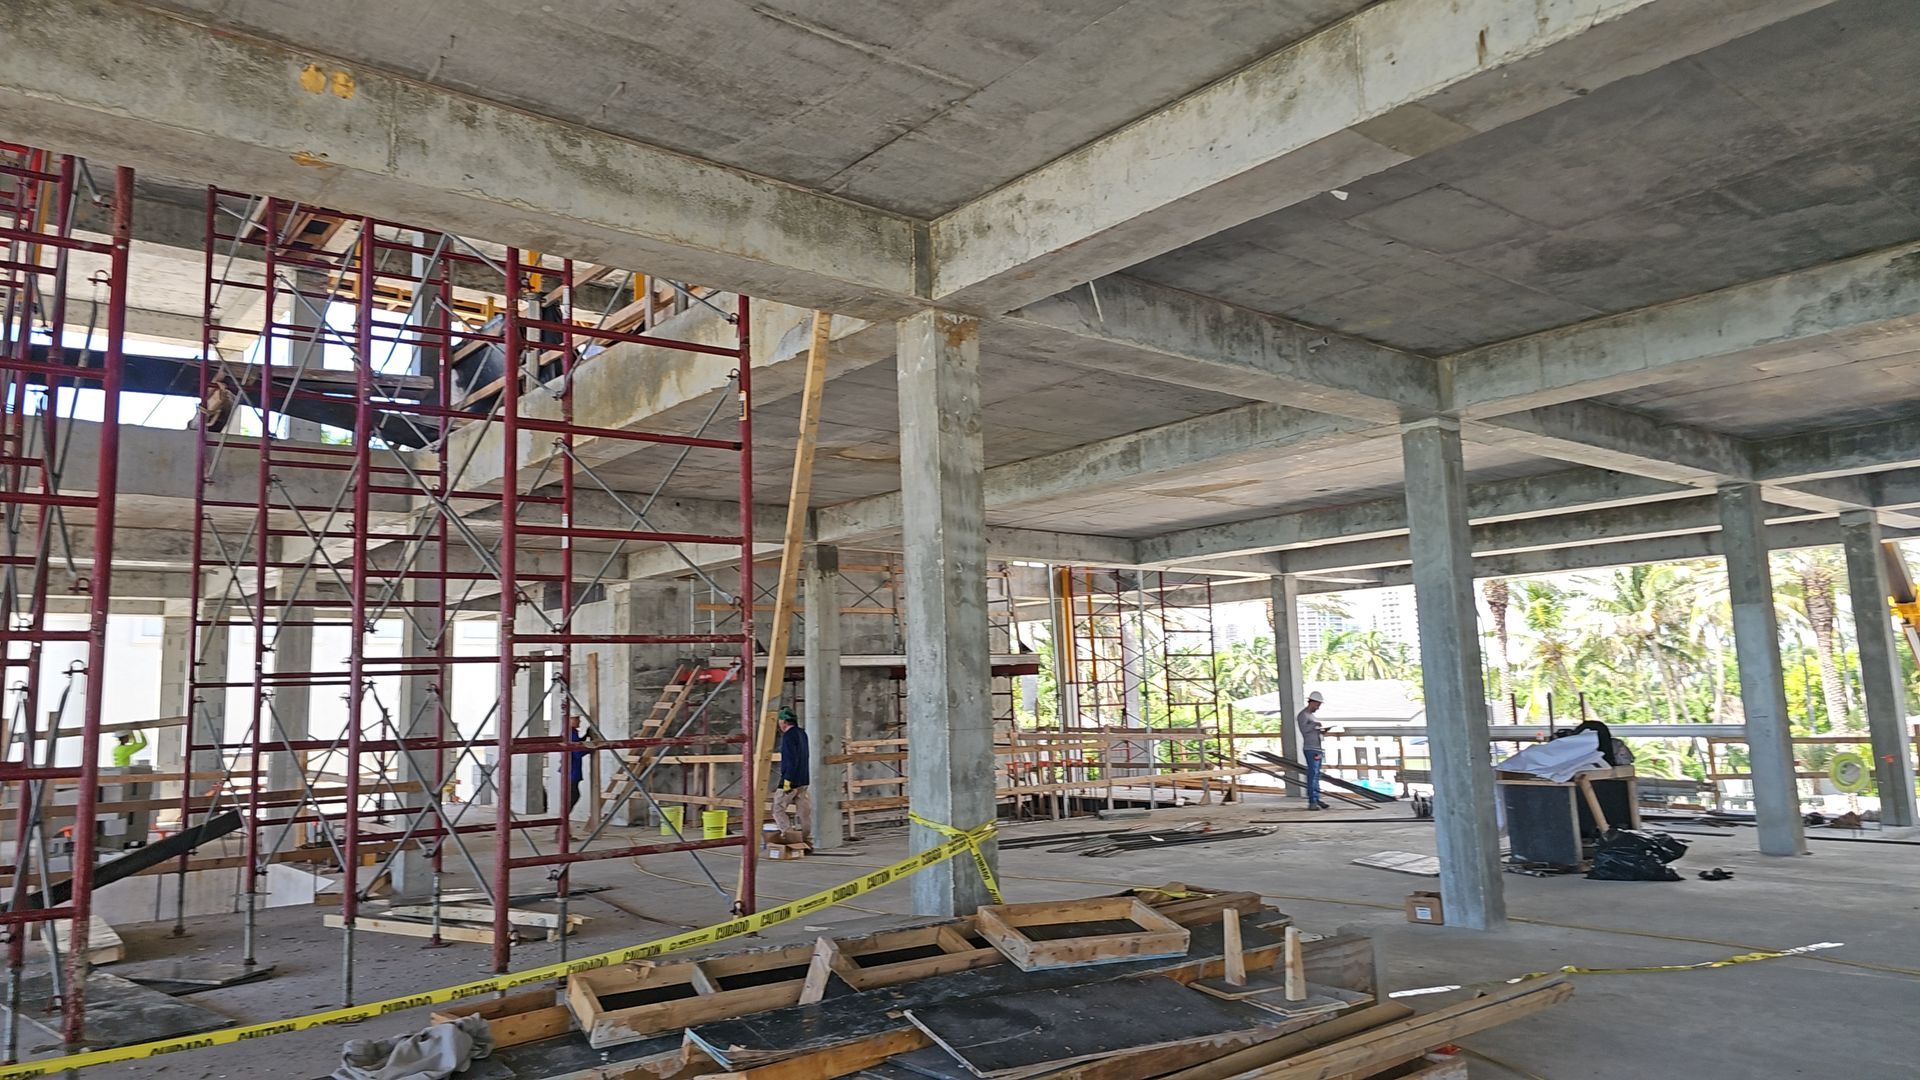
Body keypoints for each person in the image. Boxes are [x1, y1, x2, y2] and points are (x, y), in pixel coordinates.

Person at [771, 709, 811, 842]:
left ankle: (790, 837)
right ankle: (805, 839)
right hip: (804, 779)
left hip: (791, 780)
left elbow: (790, 759)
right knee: (803, 812)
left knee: (778, 808)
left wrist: (787, 780)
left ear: (783, 722)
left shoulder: (788, 736)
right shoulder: (802, 733)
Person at [1295, 691, 1337, 810]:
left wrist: (1321, 730)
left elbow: (1314, 729)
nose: (1318, 707)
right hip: (1310, 748)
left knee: (1316, 775)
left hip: (1317, 747)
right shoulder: (1303, 715)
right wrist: (1316, 725)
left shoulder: (1311, 716)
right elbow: (1304, 729)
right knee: (1312, 774)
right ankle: (1312, 801)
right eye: (1317, 705)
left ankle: (1317, 798)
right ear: (1311, 702)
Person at [564, 717, 590, 813]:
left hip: (570, 768)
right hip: (571, 769)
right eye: (577, 719)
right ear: (569, 720)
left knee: (572, 795)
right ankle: (563, 818)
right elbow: (577, 752)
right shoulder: (571, 733)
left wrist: (586, 736)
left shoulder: (571, 732)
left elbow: (577, 744)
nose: (579, 721)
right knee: (573, 795)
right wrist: (591, 748)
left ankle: (564, 818)